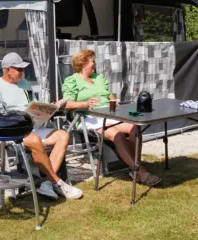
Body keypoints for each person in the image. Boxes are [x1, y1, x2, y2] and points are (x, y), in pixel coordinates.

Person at [0, 52, 83, 200]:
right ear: (7, 69)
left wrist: (48, 109)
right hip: (13, 132)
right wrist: (14, 116)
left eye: (23, 69)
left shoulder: (25, 84)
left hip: (32, 125)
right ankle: (58, 183)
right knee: (35, 140)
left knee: (63, 135)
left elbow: (33, 105)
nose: (22, 72)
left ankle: (47, 184)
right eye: (19, 69)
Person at [62, 49, 161, 187]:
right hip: (90, 117)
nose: (94, 64)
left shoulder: (99, 78)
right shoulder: (72, 81)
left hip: (110, 113)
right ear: (83, 63)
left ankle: (134, 167)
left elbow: (109, 95)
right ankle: (140, 171)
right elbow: (66, 104)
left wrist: (115, 102)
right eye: (92, 61)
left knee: (135, 127)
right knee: (117, 135)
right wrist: (85, 103)